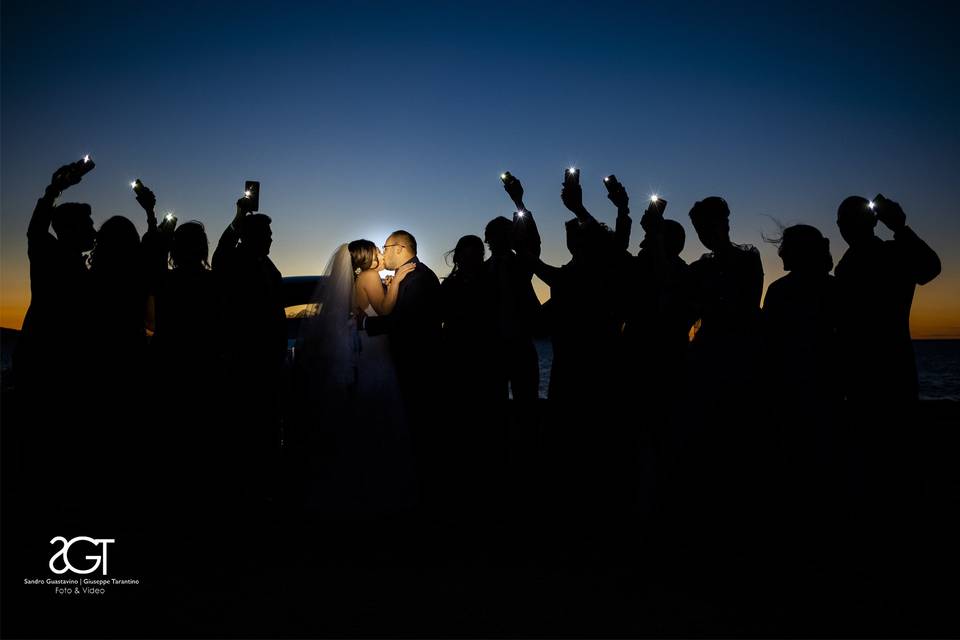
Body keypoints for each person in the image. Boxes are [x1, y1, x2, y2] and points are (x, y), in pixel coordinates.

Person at [296, 240, 417, 515]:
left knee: (366, 408)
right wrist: (397, 282)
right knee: (382, 404)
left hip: (366, 348)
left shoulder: (357, 280)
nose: (379, 253)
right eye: (376, 250)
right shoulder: (370, 276)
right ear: (367, 258)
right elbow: (385, 310)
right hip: (375, 351)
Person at [357, 231, 443, 503]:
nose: (383, 253)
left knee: (416, 425)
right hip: (398, 360)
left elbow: (406, 322)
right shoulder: (412, 276)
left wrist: (363, 325)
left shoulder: (418, 278)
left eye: (386, 247)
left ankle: (421, 487)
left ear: (400, 248)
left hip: (416, 364)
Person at [212, 195, 286, 503]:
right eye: (266, 234)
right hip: (245, 359)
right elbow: (220, 256)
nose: (271, 238)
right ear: (251, 236)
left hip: (269, 359)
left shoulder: (268, 265)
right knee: (245, 427)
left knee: (268, 424)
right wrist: (238, 217)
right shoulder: (235, 259)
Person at [834, 194, 941, 404]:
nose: (845, 227)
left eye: (849, 220)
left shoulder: (889, 255)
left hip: (878, 372)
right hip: (885, 370)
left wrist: (900, 228)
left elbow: (930, 268)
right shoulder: (888, 255)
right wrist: (899, 228)